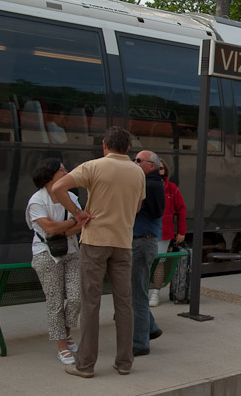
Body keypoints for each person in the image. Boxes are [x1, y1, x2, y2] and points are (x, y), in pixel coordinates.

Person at [52, 126, 145, 378]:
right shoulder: (138, 172)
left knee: (91, 303)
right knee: (124, 303)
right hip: (123, 243)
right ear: (127, 148)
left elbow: (57, 188)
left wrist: (77, 212)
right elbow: (136, 207)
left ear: (105, 145)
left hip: (95, 241)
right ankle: (125, 362)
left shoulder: (92, 166)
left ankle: (85, 365)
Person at [26, 158, 83, 365]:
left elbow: (82, 225)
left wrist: (64, 227)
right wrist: (72, 222)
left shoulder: (71, 197)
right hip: (46, 254)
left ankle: (67, 333)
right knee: (55, 302)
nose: (66, 171)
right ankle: (61, 345)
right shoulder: (37, 200)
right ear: (49, 175)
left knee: (77, 297)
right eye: (61, 170)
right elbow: (49, 230)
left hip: (71, 251)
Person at [131, 150, 165, 356]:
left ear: (151, 165)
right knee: (136, 291)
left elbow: (151, 211)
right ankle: (150, 328)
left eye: (138, 161)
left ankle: (140, 343)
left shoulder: (149, 185)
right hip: (144, 243)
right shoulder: (153, 184)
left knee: (137, 295)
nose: (133, 163)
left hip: (141, 243)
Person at [149, 159, 187, 307]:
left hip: (163, 232)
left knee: (159, 262)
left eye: (161, 168)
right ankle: (145, 291)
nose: (159, 171)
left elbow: (181, 210)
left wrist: (181, 231)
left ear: (165, 171)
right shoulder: (143, 185)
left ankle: (155, 293)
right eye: (156, 168)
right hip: (147, 230)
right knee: (145, 262)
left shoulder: (171, 189)